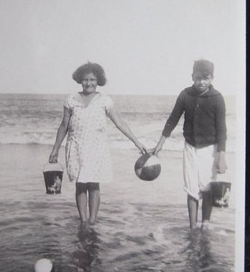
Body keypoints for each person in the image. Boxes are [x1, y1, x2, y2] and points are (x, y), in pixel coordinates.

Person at [49, 62, 147, 225]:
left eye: (92, 80)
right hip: (76, 148)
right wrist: (55, 149)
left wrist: (137, 142)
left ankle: (92, 221)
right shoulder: (71, 100)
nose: (89, 83)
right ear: (80, 80)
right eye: (85, 79)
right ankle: (83, 220)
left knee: (94, 185)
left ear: (98, 80)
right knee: (80, 185)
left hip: (97, 149)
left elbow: (120, 122)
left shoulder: (104, 101)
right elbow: (63, 126)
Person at [151, 59, 227, 230]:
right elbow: (172, 120)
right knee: (192, 189)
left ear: (212, 78)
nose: (201, 82)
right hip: (190, 147)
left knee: (207, 187)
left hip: (211, 149)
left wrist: (221, 156)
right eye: (198, 78)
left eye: (205, 78)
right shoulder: (185, 95)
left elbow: (222, 130)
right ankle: (193, 226)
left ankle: (205, 224)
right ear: (192, 76)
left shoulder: (217, 98)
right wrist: (160, 143)